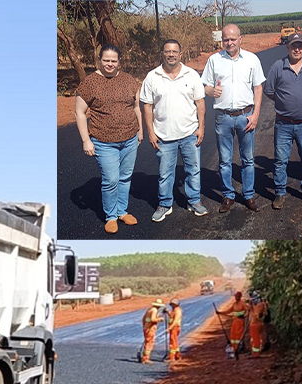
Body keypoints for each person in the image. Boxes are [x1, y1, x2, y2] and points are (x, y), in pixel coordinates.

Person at [75, 45, 143, 235]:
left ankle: (122, 211)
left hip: (130, 138)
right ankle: (111, 216)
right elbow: (79, 113)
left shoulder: (129, 81)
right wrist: (85, 140)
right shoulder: (90, 83)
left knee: (125, 177)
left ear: (119, 61)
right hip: (103, 141)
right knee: (111, 179)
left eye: (114, 60)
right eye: (106, 60)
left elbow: (136, 107)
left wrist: (140, 130)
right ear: (100, 60)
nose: (110, 64)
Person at [140, 39, 207, 223]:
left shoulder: (191, 75)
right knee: (165, 173)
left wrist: (201, 128)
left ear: (180, 53)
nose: (171, 54)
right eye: (167, 51)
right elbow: (147, 106)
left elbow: (200, 103)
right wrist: (151, 132)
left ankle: (194, 201)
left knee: (193, 170)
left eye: (174, 51)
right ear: (162, 53)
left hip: (189, 134)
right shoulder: (152, 77)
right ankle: (164, 204)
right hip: (164, 136)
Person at [201, 24, 265, 213]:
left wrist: (256, 115)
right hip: (223, 117)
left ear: (240, 39)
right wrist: (212, 91)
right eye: (226, 39)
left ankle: (248, 195)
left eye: (232, 39)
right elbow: (204, 86)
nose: (229, 42)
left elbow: (258, 88)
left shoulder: (252, 59)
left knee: (248, 159)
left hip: (246, 116)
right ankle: (228, 196)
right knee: (225, 160)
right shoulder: (214, 60)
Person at [264, 33, 302, 210]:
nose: (297, 49)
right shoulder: (278, 66)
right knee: (280, 160)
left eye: (300, 46)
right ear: (287, 47)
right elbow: (269, 91)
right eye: (293, 46)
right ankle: (280, 193)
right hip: (283, 123)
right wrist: (284, 101)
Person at [216, 291, 248, 356]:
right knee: (233, 335)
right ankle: (234, 348)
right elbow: (228, 311)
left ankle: (239, 347)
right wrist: (220, 313)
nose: (235, 297)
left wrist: (244, 315)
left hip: (240, 321)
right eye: (235, 296)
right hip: (235, 321)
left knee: (239, 334)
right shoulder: (234, 304)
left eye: (236, 296)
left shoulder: (242, 304)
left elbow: (247, 310)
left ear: (239, 297)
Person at [140, 299, 166, 364]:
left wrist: (145, 326)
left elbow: (144, 319)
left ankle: (144, 357)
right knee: (149, 343)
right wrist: (160, 319)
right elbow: (153, 319)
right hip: (150, 329)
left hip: (146, 328)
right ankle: (146, 358)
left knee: (147, 342)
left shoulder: (149, 309)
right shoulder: (154, 310)